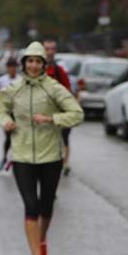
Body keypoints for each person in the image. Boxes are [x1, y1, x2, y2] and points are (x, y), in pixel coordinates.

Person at [0, 41, 83, 255]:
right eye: (29, 61)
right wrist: (6, 122)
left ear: (44, 65)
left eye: (37, 61)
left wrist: (51, 119)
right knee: (30, 206)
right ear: (24, 64)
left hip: (51, 155)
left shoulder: (54, 89)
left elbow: (77, 113)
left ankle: (42, 239)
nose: (33, 65)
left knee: (46, 206)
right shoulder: (13, 89)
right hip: (22, 155)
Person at [42, 39, 75, 176]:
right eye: (47, 49)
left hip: (59, 112)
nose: (50, 52)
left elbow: (68, 91)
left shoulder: (59, 70)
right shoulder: (36, 69)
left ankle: (65, 163)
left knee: (64, 138)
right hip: (41, 113)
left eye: (52, 49)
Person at [0, 57, 20, 171]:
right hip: (6, 113)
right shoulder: (0, 80)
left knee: (18, 136)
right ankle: (4, 159)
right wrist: (0, 97)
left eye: (14, 67)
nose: (12, 69)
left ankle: (16, 160)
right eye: (10, 67)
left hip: (19, 113)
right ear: (7, 68)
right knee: (8, 137)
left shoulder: (21, 79)